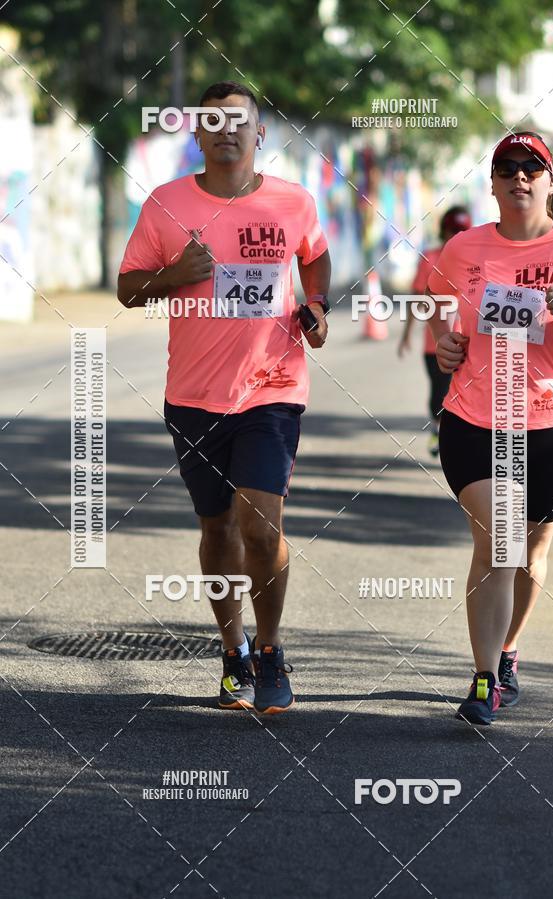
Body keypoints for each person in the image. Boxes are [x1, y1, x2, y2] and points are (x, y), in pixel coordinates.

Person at [117, 81, 331, 715]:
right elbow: (129, 288)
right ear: (198, 134)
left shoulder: (294, 202)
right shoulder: (166, 204)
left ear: (259, 133)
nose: (227, 131)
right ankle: (232, 647)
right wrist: (171, 276)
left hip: (272, 389)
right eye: (213, 121)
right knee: (216, 529)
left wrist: (316, 305)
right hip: (193, 395)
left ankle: (269, 650)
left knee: (260, 522)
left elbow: (314, 260)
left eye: (239, 121)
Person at [427, 131, 553, 725]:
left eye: (532, 167)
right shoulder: (462, 249)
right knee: (498, 544)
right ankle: (482, 681)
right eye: (507, 167)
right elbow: (441, 311)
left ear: (551, 182)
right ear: (493, 182)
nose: (519, 176)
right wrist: (443, 346)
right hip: (476, 418)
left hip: (552, 423)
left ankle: (506, 652)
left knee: (529, 554)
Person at [398, 207, 472, 456]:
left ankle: (452, 438)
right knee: (438, 393)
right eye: (453, 231)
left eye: (463, 231)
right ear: (444, 231)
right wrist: (407, 334)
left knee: (459, 392)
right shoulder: (430, 258)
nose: (457, 237)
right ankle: (437, 426)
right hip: (434, 344)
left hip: (466, 342)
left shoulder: (475, 259)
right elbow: (418, 296)